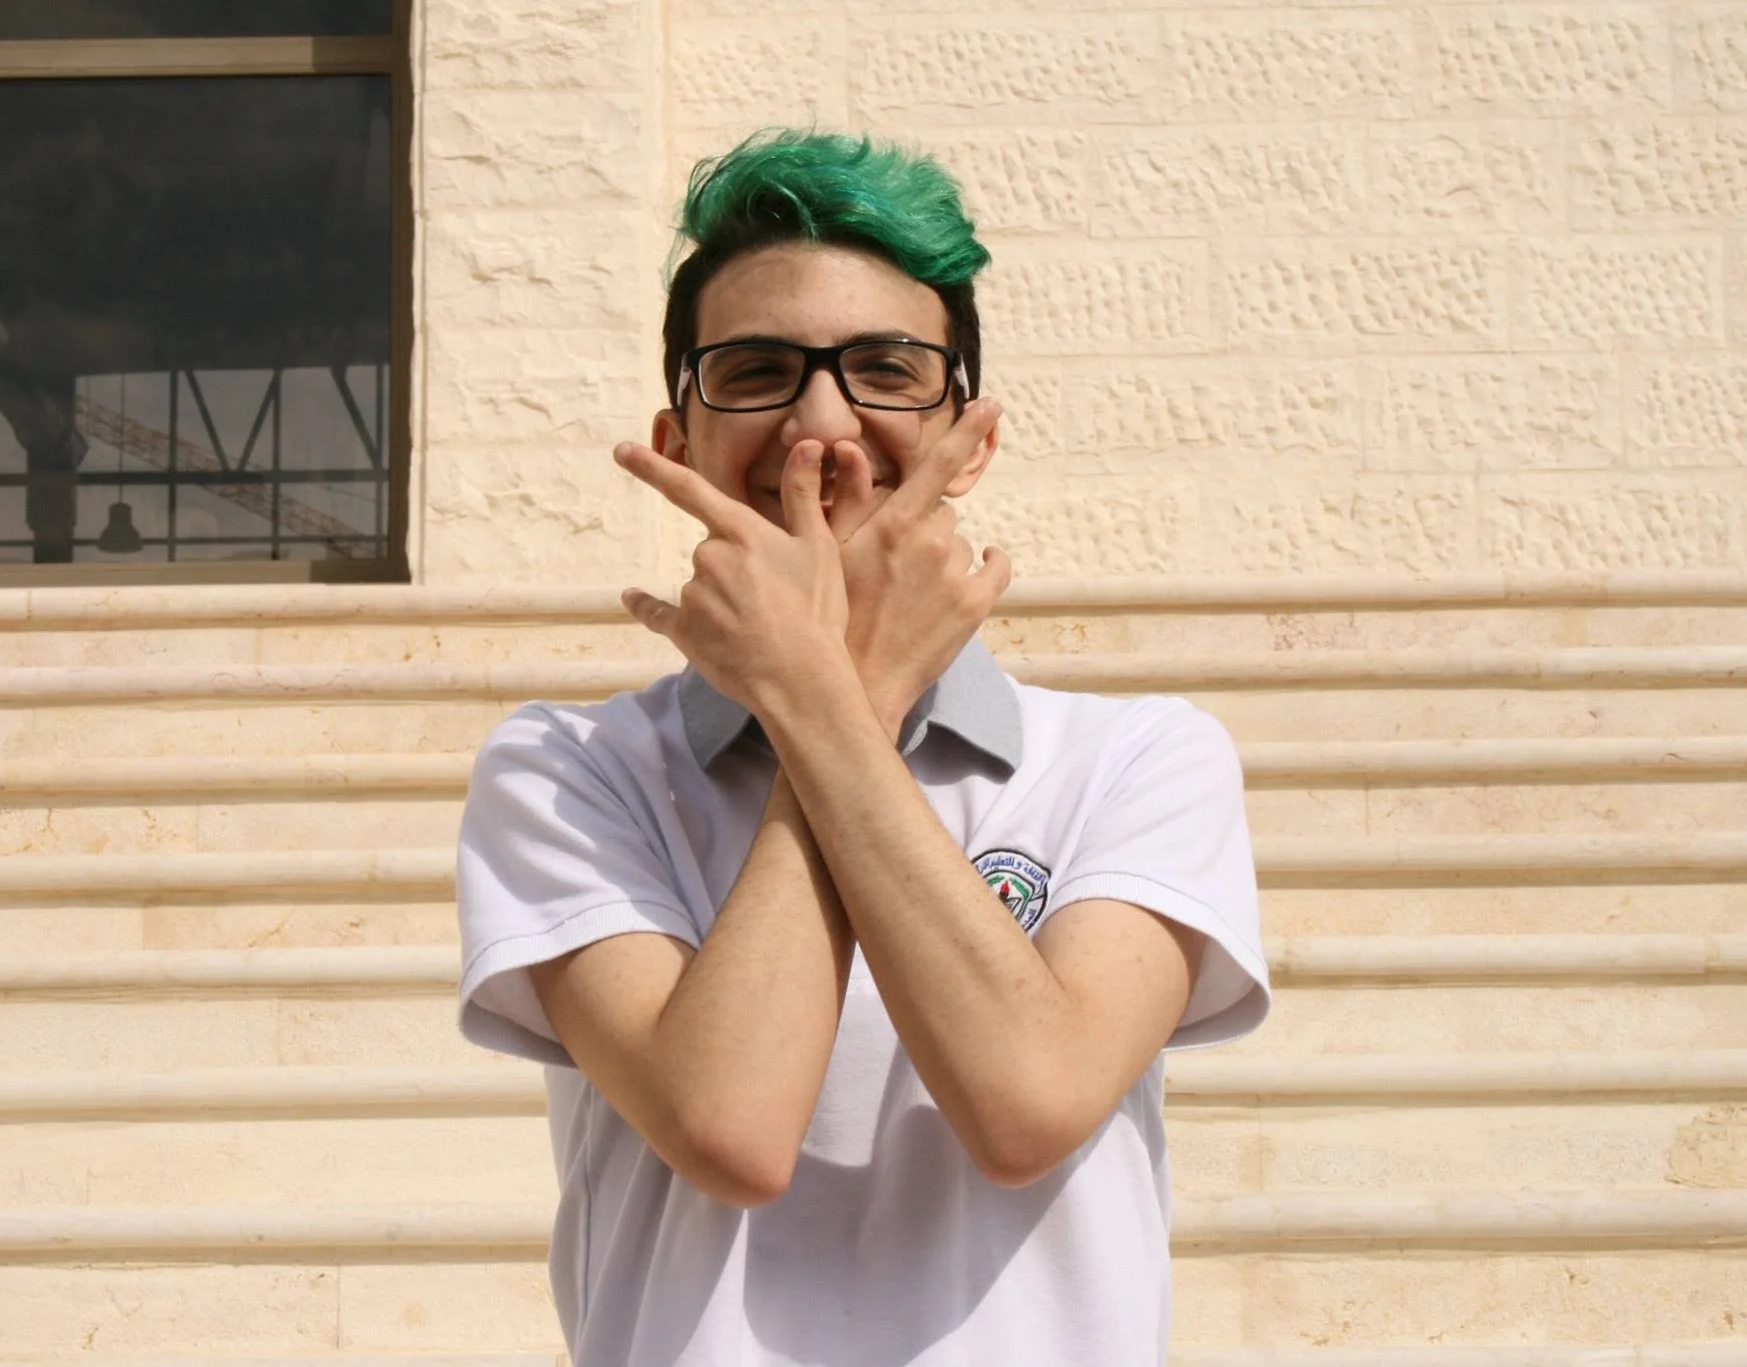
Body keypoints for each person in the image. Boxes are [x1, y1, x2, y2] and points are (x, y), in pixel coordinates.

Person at [455, 128, 1270, 1367]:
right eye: (757, 369)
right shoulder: (569, 768)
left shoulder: (1136, 756)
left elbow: (1027, 1103)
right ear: (675, 443)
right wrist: (854, 693)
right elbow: (730, 1125)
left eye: (885, 369)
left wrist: (830, 695)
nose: (822, 423)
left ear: (970, 440)